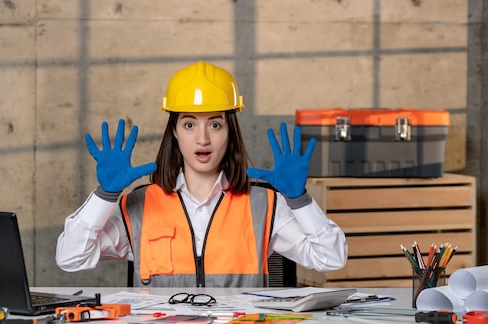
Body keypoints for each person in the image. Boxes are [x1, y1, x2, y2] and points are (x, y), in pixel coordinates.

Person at [56, 61, 347, 287]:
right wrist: (104, 196)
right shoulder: (139, 206)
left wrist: (300, 200)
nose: (203, 139)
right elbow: (70, 257)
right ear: (175, 131)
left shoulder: (264, 205)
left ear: (231, 132)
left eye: (216, 125)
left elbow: (330, 258)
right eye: (190, 124)